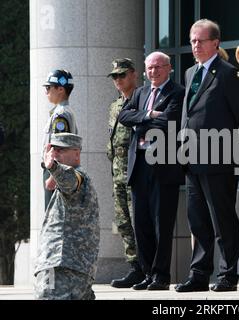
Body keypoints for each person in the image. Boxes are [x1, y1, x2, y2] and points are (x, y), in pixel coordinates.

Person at [175, 19, 239, 293]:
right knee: (198, 220)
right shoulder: (191, 72)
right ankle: (199, 274)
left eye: (200, 41)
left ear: (215, 43)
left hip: (218, 157)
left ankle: (228, 275)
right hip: (191, 159)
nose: (195, 45)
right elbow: (188, 114)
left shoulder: (228, 74)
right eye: (192, 41)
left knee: (222, 220)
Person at [119, 51, 184, 291]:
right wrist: (148, 114)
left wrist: (142, 120)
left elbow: (169, 121)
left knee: (161, 224)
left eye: (158, 67)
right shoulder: (139, 92)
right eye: (150, 68)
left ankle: (161, 275)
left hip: (163, 166)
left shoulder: (177, 92)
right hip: (139, 166)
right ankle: (147, 273)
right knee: (142, 223)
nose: (153, 72)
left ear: (168, 68)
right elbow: (124, 115)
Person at [34, 133, 100, 300]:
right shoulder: (75, 178)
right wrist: (53, 172)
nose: (55, 154)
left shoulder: (78, 176)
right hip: (74, 266)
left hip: (62, 264)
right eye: (53, 150)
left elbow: (70, 180)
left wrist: (54, 168)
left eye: (61, 150)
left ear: (76, 153)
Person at [106, 58, 145, 288]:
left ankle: (147, 265)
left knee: (138, 220)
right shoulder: (114, 106)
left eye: (122, 75)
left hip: (135, 172)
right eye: (115, 77)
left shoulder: (141, 100)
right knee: (123, 222)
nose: (118, 80)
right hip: (117, 173)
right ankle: (135, 267)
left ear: (134, 75)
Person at [42, 70, 78, 211]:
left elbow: (60, 148)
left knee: (53, 219)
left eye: (48, 87)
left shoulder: (61, 113)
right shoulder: (63, 111)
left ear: (60, 89)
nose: (46, 92)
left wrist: (53, 176)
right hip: (58, 172)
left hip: (56, 172)